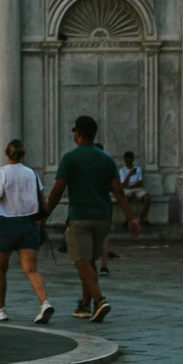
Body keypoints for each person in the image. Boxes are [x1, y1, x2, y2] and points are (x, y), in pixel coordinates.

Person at [44, 114, 139, 323]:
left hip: (80, 217)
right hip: (103, 217)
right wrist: (131, 218)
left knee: (81, 261)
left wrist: (45, 214)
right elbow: (118, 191)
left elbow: (58, 189)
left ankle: (100, 300)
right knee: (89, 261)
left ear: (77, 135)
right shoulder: (106, 159)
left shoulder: (70, 158)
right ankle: (85, 305)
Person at [0, 139, 53, 325]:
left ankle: (0, 309)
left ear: (6, 153)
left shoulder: (1, 174)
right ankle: (44, 303)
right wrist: (41, 226)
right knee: (31, 269)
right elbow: (42, 202)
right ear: (23, 154)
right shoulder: (32, 174)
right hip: (28, 224)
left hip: (5, 224)